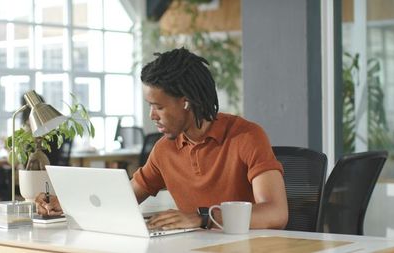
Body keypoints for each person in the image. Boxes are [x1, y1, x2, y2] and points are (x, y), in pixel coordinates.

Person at [35, 47, 288, 230]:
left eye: (159, 107)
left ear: (186, 101)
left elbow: (276, 212)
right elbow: (121, 198)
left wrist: (203, 218)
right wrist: (66, 204)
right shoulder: (164, 150)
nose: (152, 116)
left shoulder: (246, 136)